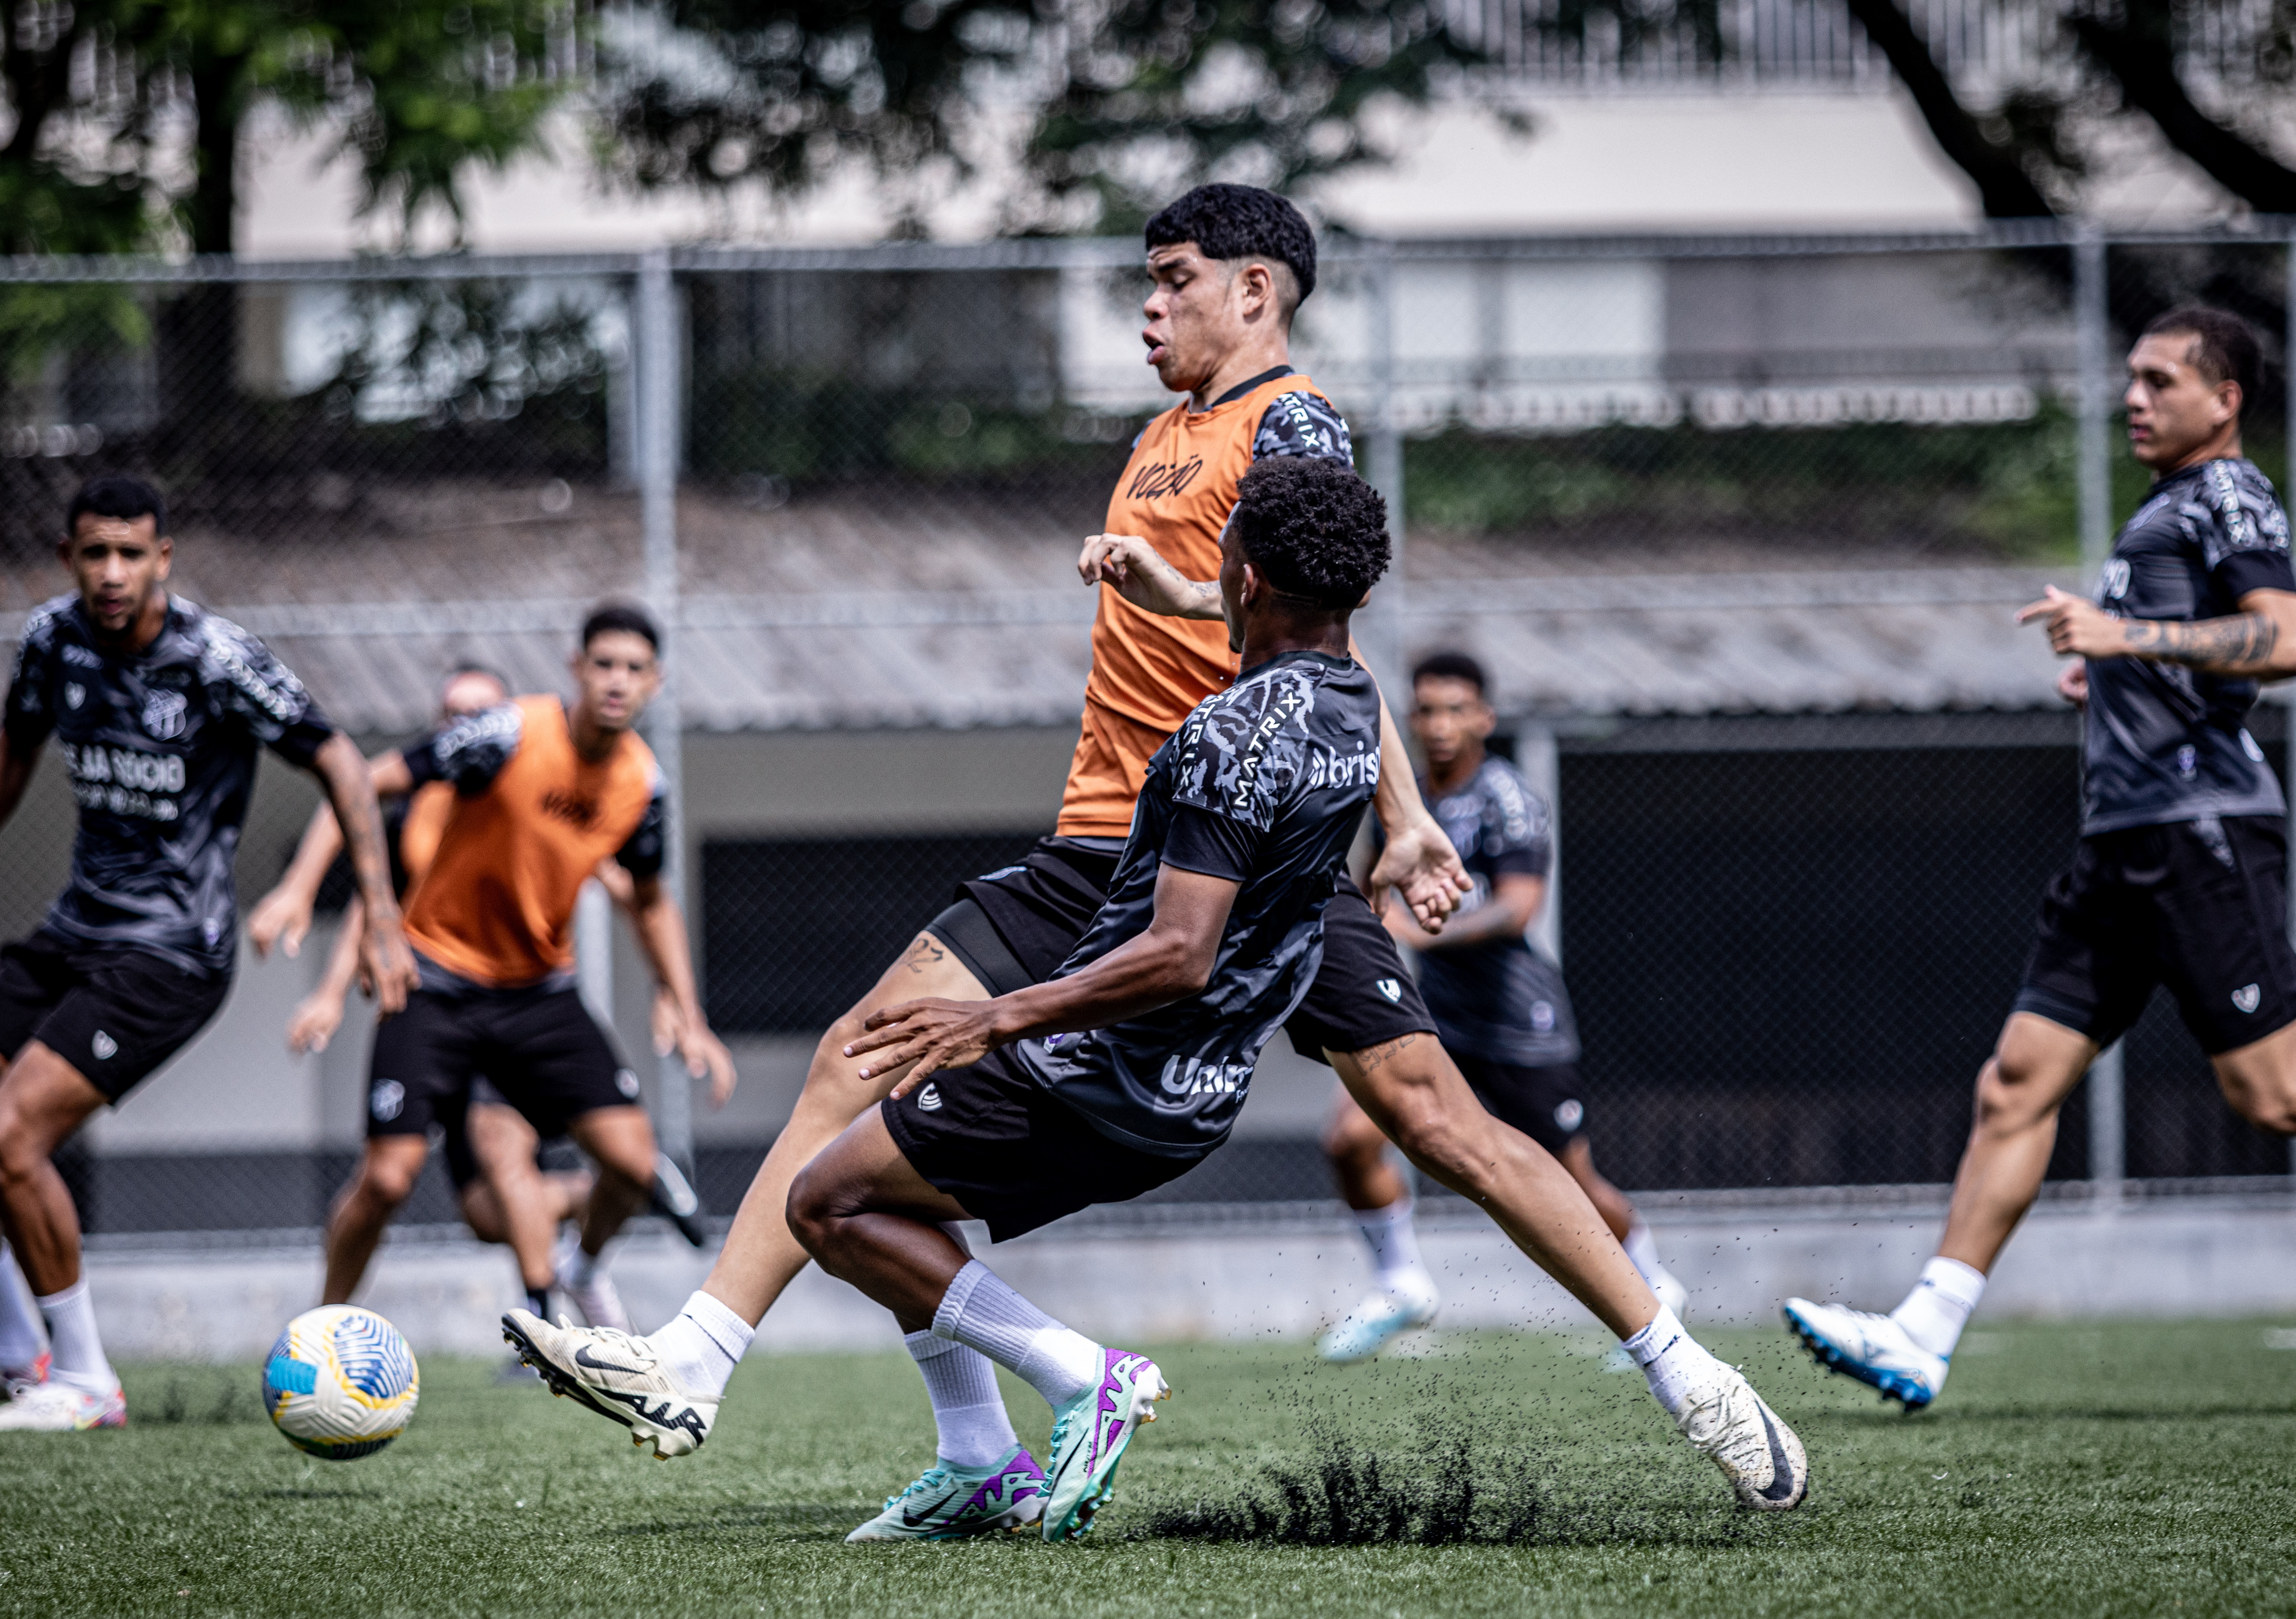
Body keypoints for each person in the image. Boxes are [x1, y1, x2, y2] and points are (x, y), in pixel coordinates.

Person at [506, 459, 1809, 1536]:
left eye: (1169, 279)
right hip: (1206, 1073)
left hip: (1105, 1051)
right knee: (880, 1122)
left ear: (1244, 571)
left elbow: (1178, 952)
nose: (1152, 305)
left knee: (829, 1190)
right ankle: (972, 1448)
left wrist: (997, 1014)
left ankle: (1071, 1379)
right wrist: (1389, 810)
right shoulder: (1355, 711)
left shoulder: (1222, 729)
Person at [1786, 305, 2296, 1409]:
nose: (2135, 397)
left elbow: (2286, 634)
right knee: (2015, 1083)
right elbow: (2197, 654)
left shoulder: (2228, 493)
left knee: (2273, 1094)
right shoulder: (2164, 509)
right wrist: (2112, 677)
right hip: (2120, 845)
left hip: (2197, 828)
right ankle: (1922, 1334)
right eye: (2132, 379)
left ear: (2225, 400)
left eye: (2162, 381)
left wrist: (2126, 642)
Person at [0, 474, 414, 1431]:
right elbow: (14, 744)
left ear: (164, 558)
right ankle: (13, 1353)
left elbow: (339, 758)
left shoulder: (215, 660)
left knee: (8, 1139)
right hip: (74, 930)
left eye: (132, 553)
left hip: (172, 951)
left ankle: (87, 1380)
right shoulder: (52, 640)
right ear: (69, 558)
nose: (113, 572)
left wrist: (378, 915)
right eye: (94, 553)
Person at [260, 604, 735, 1327]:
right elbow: (358, 780)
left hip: (539, 995)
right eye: (604, 664)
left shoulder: (643, 784)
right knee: (389, 1179)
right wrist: (299, 890)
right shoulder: (505, 736)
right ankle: (318, 1331)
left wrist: (687, 1010)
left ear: (656, 683)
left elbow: (648, 897)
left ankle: (579, 1271)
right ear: (576, 668)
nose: (617, 682)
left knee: (635, 1166)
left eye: (634, 670)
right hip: (436, 983)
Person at [1317, 651, 1686, 1361]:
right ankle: (1400, 1284)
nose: (1439, 724)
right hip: (1438, 1018)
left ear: (1484, 718)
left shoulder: (1505, 796)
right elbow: (1372, 893)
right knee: (1348, 1140)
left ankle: (1656, 1283)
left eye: (1456, 709)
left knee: (1569, 1178)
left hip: (1520, 1022)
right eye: (1425, 709)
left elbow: (1518, 911)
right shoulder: (1402, 799)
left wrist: (1427, 927)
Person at [248, 662, 613, 1330]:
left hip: (509, 1011)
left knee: (505, 1155)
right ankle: (321, 1328)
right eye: (453, 712)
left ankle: (544, 1329)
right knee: (438, 1200)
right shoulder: (413, 808)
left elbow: (595, 844)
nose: (466, 725)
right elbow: (374, 903)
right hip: (433, 1006)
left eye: (481, 711)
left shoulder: (531, 794)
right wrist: (329, 995)